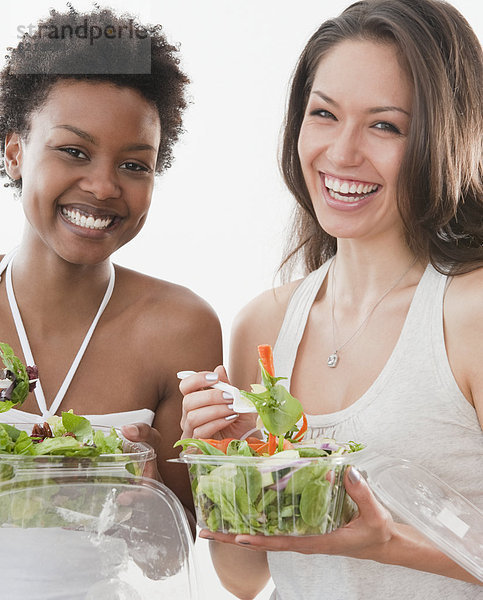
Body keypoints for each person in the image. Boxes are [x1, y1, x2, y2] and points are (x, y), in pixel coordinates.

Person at [179, 0, 483, 598]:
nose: (342, 153)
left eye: (385, 125)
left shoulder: (469, 315)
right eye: (324, 114)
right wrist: (223, 465)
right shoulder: (263, 325)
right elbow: (244, 578)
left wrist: (390, 543)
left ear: (443, 139)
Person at [0, 6, 222, 519]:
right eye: (74, 151)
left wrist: (154, 502)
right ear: (15, 152)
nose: (103, 186)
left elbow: (170, 561)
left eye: (133, 165)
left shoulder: (182, 328)